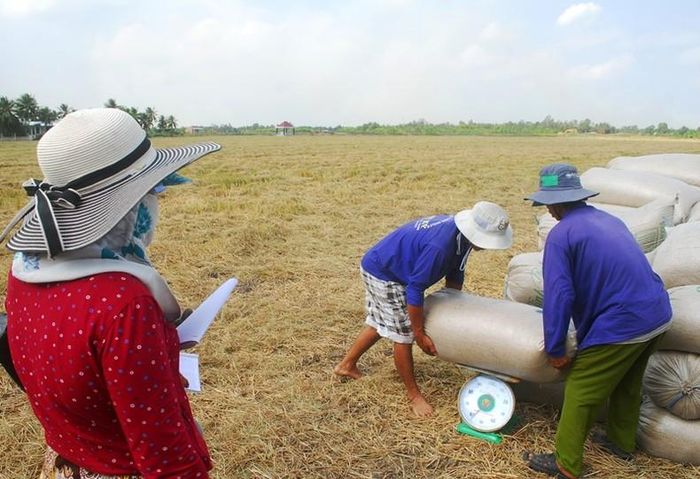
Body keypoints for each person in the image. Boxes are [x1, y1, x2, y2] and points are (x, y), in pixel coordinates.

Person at [1, 108, 221, 478]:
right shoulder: (125, 303)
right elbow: (164, 455)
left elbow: (71, 368)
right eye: (155, 192)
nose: (157, 203)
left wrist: (154, 359)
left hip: (67, 459)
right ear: (133, 208)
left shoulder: (26, 271)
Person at [523, 164, 672, 479]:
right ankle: (621, 443)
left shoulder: (561, 235)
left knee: (580, 390)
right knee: (628, 384)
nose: (547, 209)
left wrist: (554, 348)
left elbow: (559, 295)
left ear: (555, 202)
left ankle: (566, 464)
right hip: (657, 313)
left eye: (547, 203)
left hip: (623, 322)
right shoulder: (607, 219)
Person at [334, 202, 513, 417]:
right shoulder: (440, 247)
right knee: (403, 334)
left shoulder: (461, 238)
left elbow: (455, 274)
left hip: (390, 267)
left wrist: (453, 310)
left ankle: (346, 365)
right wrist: (418, 333)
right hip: (385, 274)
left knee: (381, 321)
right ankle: (414, 396)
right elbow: (415, 289)